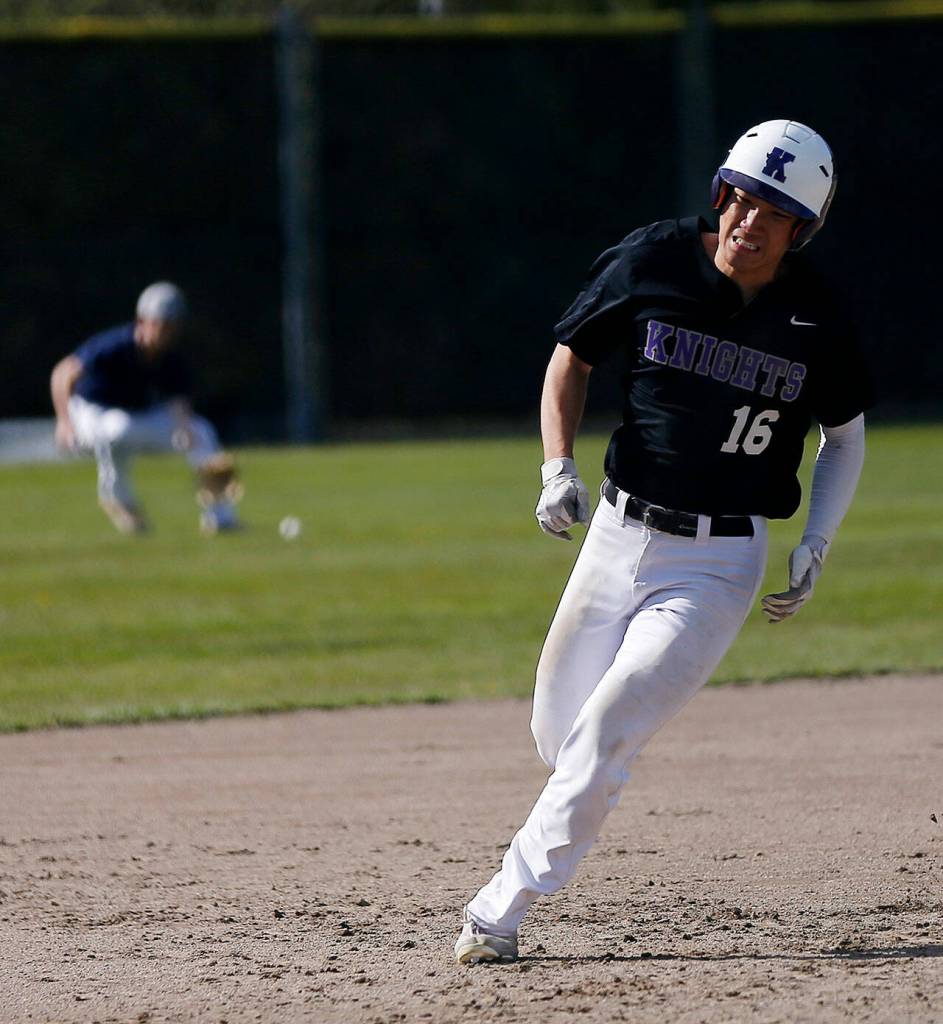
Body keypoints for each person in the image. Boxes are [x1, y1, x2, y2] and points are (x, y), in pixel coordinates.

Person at [454, 119, 873, 965]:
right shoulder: (652, 259)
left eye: (772, 212)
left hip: (717, 562)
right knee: (559, 736)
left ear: (801, 231)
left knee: (606, 732)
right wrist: (553, 468)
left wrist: (817, 541)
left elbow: (846, 434)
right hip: (614, 533)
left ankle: (500, 908)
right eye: (740, 198)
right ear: (720, 194)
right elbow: (570, 358)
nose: (747, 222)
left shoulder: (815, 314)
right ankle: (589, 785)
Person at [50, 282, 242, 535]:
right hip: (88, 414)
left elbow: (178, 401)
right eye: (161, 324)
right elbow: (63, 373)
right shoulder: (115, 344)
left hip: (133, 417)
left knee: (202, 430)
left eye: (172, 326)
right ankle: (119, 499)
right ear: (143, 320)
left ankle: (221, 518)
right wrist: (64, 421)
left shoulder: (171, 357)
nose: (166, 333)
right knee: (117, 428)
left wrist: (185, 429)